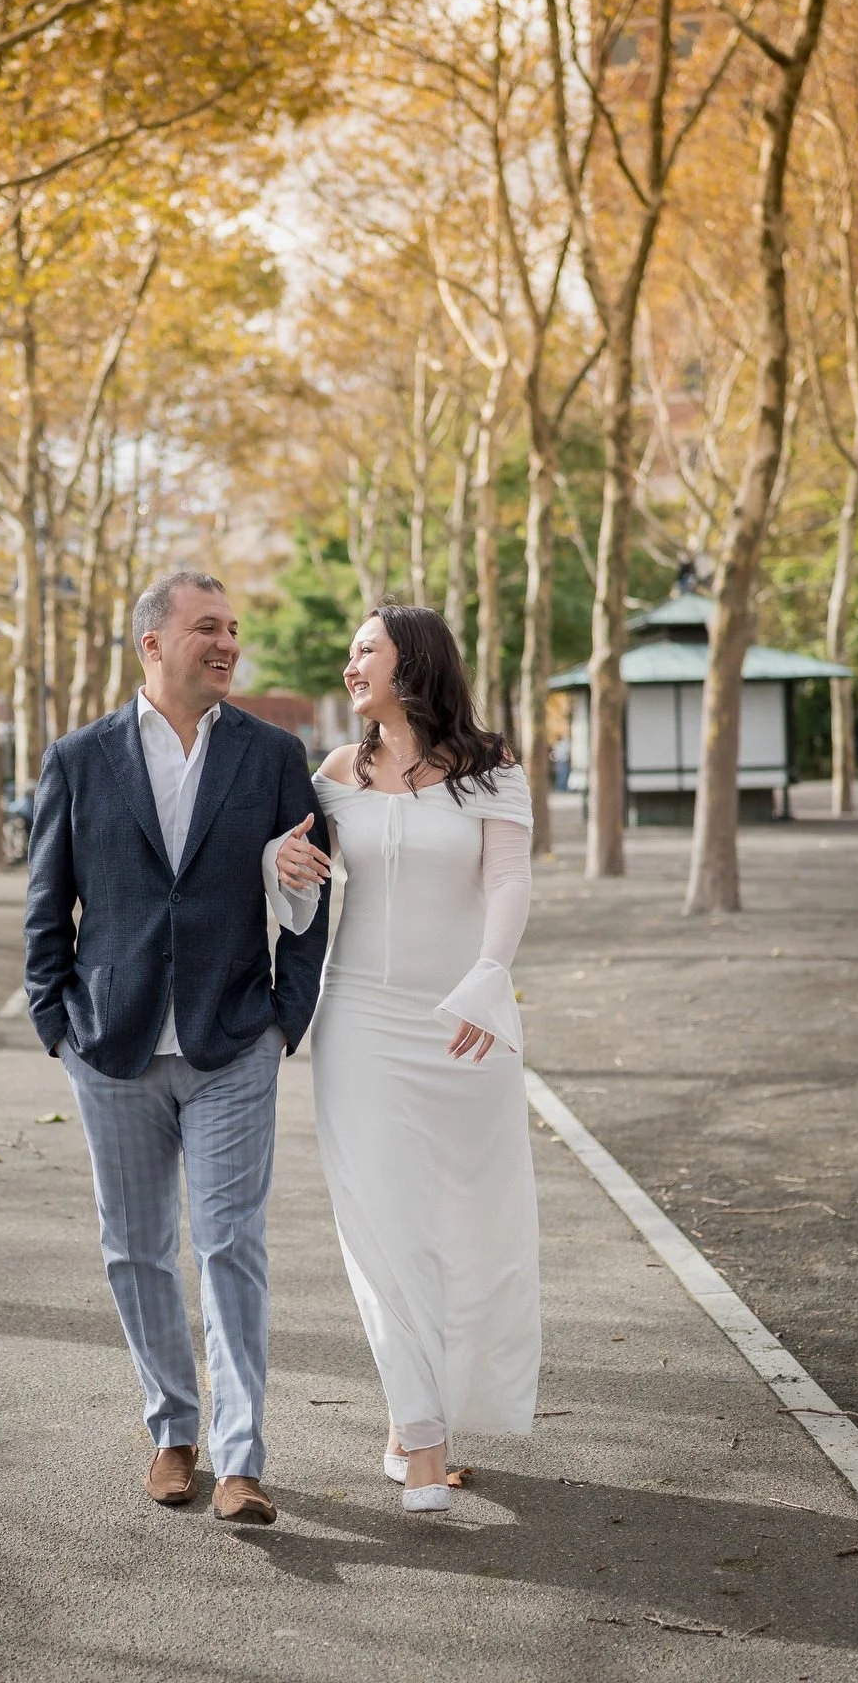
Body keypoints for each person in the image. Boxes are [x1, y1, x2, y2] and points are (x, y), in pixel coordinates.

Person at [24, 570, 331, 1527]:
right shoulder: (78, 758)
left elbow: (312, 888)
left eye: (234, 629)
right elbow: (48, 902)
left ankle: (241, 1458)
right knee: (134, 1250)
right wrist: (54, 1022)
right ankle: (174, 1431)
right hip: (111, 1047)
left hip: (231, 1040)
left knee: (231, 1244)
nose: (228, 643)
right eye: (208, 628)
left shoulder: (275, 753)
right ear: (152, 643)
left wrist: (288, 1014)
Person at [272, 602, 539, 1514]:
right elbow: (295, 876)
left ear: (412, 662)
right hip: (361, 1025)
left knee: (462, 1226)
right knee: (381, 1226)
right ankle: (423, 1443)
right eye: (350, 653)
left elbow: (508, 879)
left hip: (464, 1023)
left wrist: (487, 977)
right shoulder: (337, 771)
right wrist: (284, 868)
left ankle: (412, 1411)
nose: (351, 668)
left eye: (364, 652)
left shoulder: (492, 765)